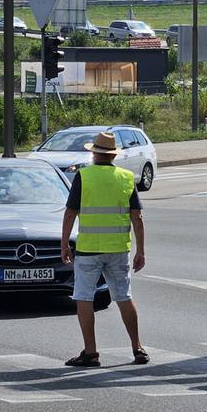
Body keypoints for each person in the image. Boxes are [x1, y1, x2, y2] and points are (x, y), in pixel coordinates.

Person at [60, 131, 148, 368]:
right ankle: (137, 347)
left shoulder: (84, 176)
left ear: (94, 153)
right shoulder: (126, 177)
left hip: (89, 249)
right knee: (124, 297)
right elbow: (137, 217)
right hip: (118, 248)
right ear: (113, 155)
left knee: (84, 298)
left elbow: (70, 213)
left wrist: (64, 244)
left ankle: (91, 352)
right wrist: (141, 250)